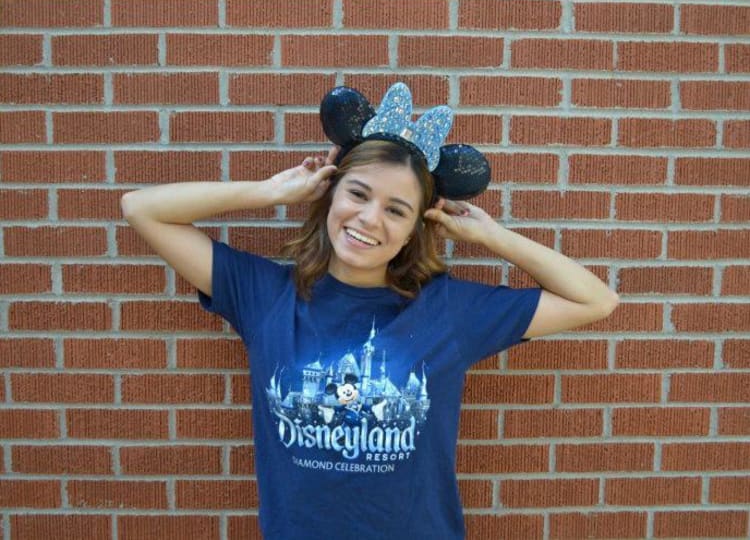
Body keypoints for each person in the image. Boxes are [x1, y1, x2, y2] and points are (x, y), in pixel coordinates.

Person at [121, 83, 619, 539]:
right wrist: (272, 193)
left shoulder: (449, 310)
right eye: (357, 194)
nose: (368, 218)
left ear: (413, 229)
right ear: (330, 194)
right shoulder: (265, 295)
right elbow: (141, 208)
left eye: (396, 210)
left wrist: (491, 236)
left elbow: (595, 299)